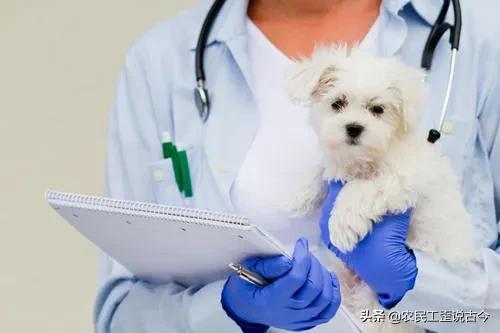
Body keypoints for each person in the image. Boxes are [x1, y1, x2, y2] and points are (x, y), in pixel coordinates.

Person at [95, 0, 500, 332]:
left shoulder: (485, 37)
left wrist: (419, 284)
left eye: (375, 109)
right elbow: (120, 315)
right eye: (338, 105)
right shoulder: (160, 62)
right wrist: (226, 313)